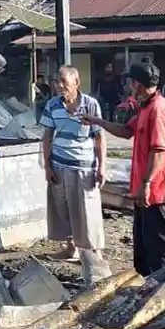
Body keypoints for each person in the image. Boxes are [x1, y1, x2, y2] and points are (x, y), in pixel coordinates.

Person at [80, 61, 165, 276]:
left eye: (131, 82)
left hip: (154, 188)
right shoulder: (146, 107)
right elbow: (127, 131)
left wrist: (146, 185)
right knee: (143, 242)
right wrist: (97, 121)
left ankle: (164, 282)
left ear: (137, 84)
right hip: (143, 187)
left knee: (157, 242)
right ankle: (147, 280)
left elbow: (158, 151)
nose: (129, 87)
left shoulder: (158, 110)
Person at [39, 65, 111, 286]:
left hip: (84, 167)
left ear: (76, 83)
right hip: (60, 165)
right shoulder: (52, 105)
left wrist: (102, 167)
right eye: (57, 82)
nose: (60, 87)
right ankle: (70, 248)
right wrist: (48, 167)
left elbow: (100, 138)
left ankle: (94, 255)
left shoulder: (90, 105)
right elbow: (47, 136)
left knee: (87, 212)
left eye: (64, 83)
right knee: (63, 209)